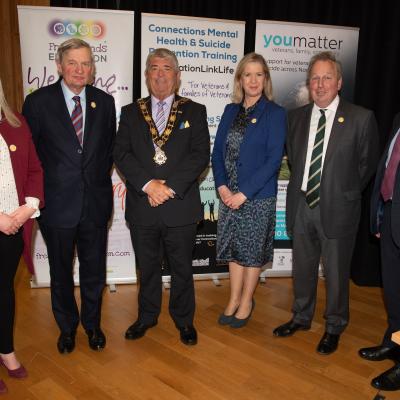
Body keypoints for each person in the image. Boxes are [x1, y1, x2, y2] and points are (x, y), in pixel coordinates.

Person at [273, 51, 379, 354]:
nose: (320, 84)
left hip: (338, 208)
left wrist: (340, 192)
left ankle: (334, 326)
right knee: (303, 268)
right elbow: (294, 159)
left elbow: (366, 166)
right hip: (302, 204)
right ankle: (301, 317)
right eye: (315, 78)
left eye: (327, 77)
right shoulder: (295, 117)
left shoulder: (360, 118)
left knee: (335, 273)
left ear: (339, 82)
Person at [22, 38, 116, 354]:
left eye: (86, 63)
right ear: (60, 66)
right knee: (61, 273)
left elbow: (106, 153)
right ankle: (67, 328)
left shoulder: (104, 102)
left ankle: (92, 325)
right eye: (73, 63)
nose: (80, 69)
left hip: (95, 203)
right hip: (56, 205)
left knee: (94, 271)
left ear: (93, 68)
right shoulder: (37, 103)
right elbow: (30, 157)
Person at [113, 48, 210, 346]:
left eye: (166, 68)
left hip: (180, 206)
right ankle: (147, 316)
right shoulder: (131, 112)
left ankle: (184, 320)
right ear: (146, 75)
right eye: (154, 68)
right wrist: (148, 185)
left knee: (182, 267)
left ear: (177, 76)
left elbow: (199, 155)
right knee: (148, 266)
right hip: (143, 205)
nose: (160, 74)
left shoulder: (195, 110)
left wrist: (167, 188)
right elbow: (122, 153)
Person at [212, 52, 286, 328]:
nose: (253, 80)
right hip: (228, 194)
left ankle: (246, 300)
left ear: (265, 78)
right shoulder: (230, 111)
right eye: (247, 74)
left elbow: (273, 159)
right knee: (233, 249)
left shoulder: (275, 113)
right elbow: (217, 152)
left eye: (259, 74)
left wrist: (243, 193)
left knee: (252, 252)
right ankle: (233, 298)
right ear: (239, 80)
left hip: (257, 196)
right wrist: (221, 185)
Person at [0, 78, 43, 394]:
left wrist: (28, 208)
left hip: (14, 225)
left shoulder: (16, 123)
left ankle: (5, 349)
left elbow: (34, 170)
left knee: (3, 292)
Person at [358, 112, 400, 391]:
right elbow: (387, 167)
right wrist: (378, 214)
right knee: (394, 293)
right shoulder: (397, 117)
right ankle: (394, 343)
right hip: (391, 219)